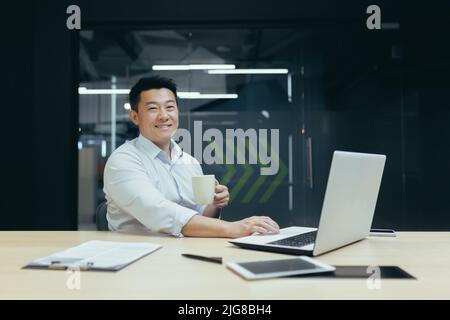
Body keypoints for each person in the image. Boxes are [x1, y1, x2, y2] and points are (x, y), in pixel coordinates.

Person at [103, 76, 279, 238]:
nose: (164, 115)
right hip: (137, 257)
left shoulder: (189, 161)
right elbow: (157, 211)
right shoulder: (123, 161)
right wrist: (232, 228)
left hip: (183, 253)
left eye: (170, 107)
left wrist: (214, 204)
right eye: (153, 108)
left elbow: (199, 218)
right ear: (135, 116)